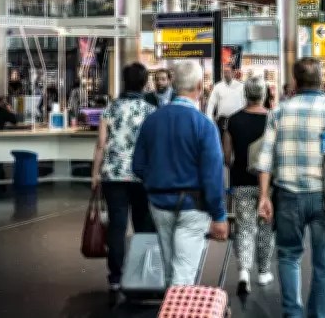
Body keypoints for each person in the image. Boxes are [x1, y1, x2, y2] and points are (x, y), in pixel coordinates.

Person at [256, 58, 325, 318]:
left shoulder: (279, 111)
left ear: (295, 82)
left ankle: (292, 313)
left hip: (288, 197)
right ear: (321, 81)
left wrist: (263, 197)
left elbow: (265, 159)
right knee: (324, 265)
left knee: (288, 256)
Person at [132, 60, 228, 287]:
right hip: (194, 206)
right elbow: (213, 175)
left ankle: (170, 301)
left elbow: (137, 165)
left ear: (173, 85)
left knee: (169, 270)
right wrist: (219, 215)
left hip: (159, 203)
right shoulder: (204, 125)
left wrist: (156, 181)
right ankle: (178, 304)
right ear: (199, 86)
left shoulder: (152, 121)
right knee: (184, 273)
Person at [91, 63, 157, 299]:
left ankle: (116, 278)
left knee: (117, 226)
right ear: (145, 83)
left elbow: (101, 144)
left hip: (113, 175)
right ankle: (142, 274)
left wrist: (95, 173)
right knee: (143, 225)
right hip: (142, 176)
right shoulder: (151, 111)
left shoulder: (111, 109)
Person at [222, 76, 274, 294]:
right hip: (268, 183)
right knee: (265, 227)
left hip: (241, 180)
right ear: (264, 95)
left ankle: (244, 271)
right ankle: (263, 272)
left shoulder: (232, 120)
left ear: (245, 94)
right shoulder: (273, 118)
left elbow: (227, 156)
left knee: (244, 227)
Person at [205, 65, 246, 132]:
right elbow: (211, 103)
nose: (226, 74)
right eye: (224, 72)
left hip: (238, 121)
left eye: (227, 72)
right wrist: (209, 119)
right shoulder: (218, 86)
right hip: (222, 121)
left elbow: (245, 103)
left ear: (233, 72)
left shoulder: (241, 87)